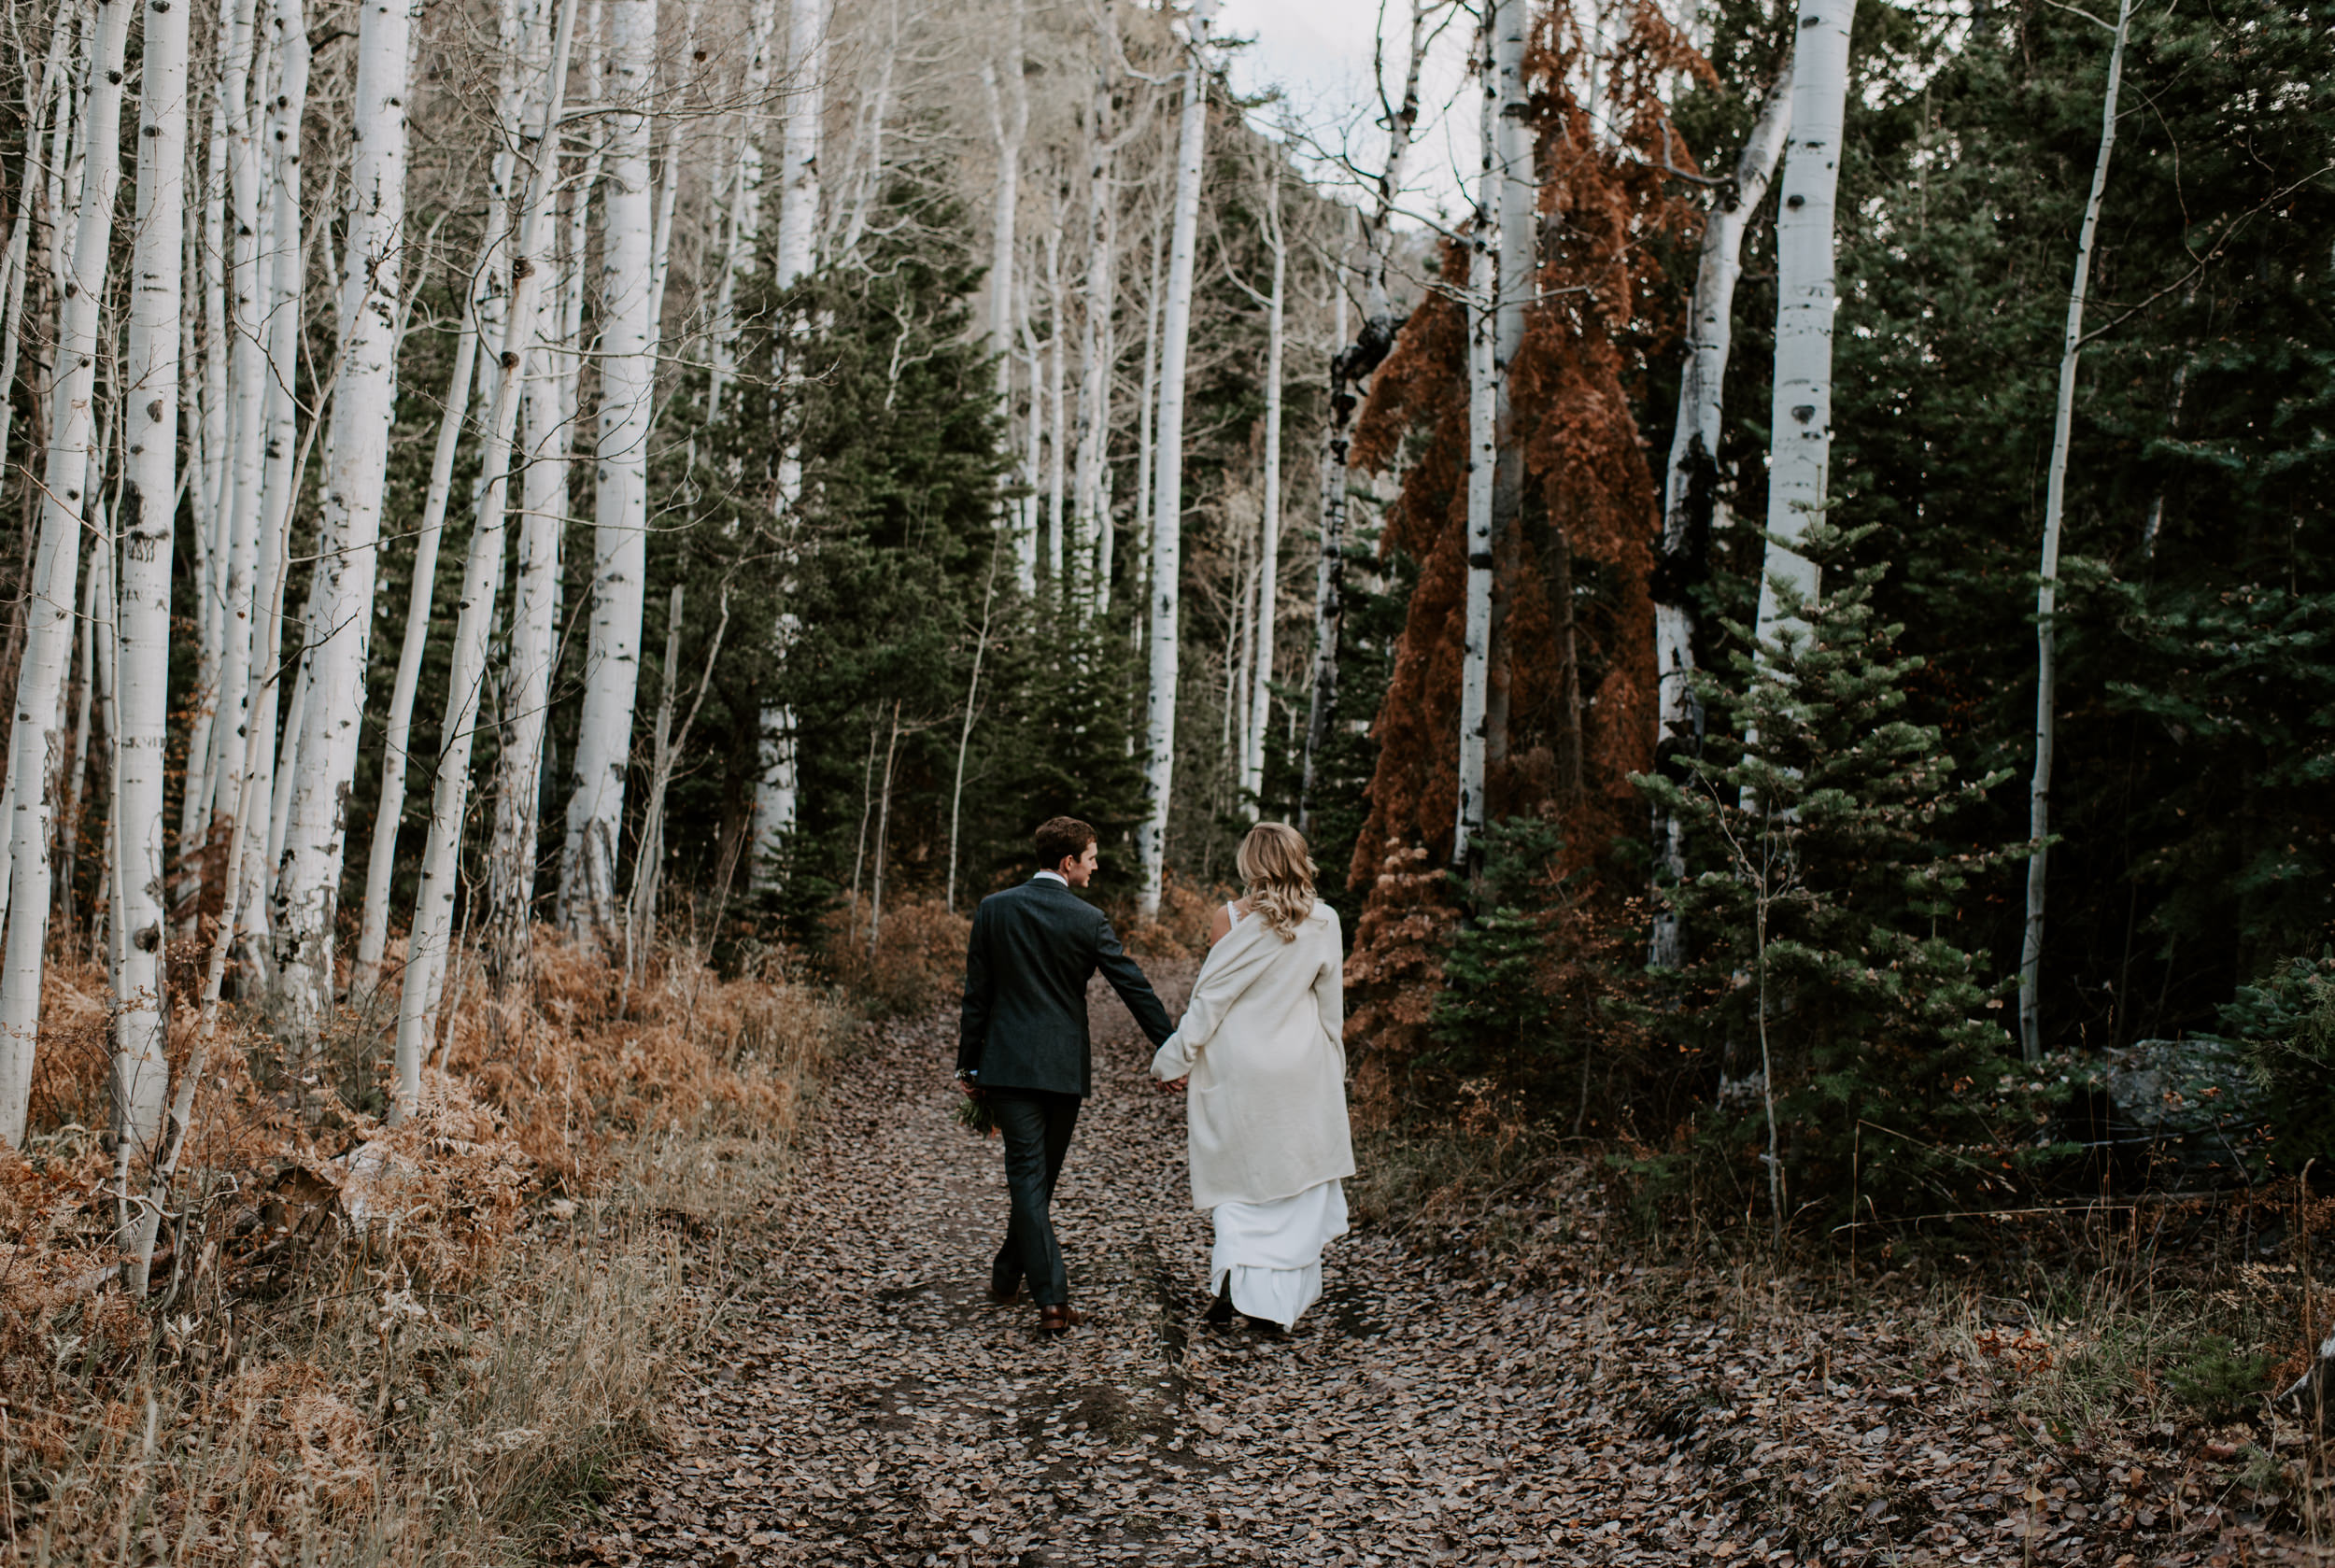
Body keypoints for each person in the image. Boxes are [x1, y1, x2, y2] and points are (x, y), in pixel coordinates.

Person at [955, 815, 1176, 1336]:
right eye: (1091, 856)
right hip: (1061, 1070)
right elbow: (1133, 986)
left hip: (1007, 1067)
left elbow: (977, 994)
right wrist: (1171, 1045)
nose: (1096, 865)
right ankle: (1052, 1300)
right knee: (1035, 1180)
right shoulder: (1088, 920)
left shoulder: (994, 910)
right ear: (1067, 862)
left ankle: (1007, 1274)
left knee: (1033, 1181)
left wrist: (969, 1063)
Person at [1150, 822, 1354, 1334]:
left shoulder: (1231, 918)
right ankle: (1274, 1304)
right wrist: (1337, 1068)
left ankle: (1236, 1286)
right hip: (1301, 1067)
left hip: (1238, 1068)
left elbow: (1210, 1001)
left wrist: (1174, 1059)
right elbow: (1332, 1014)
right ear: (1299, 860)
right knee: (1295, 1185)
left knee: (1238, 1183)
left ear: (1251, 864)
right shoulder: (1326, 921)